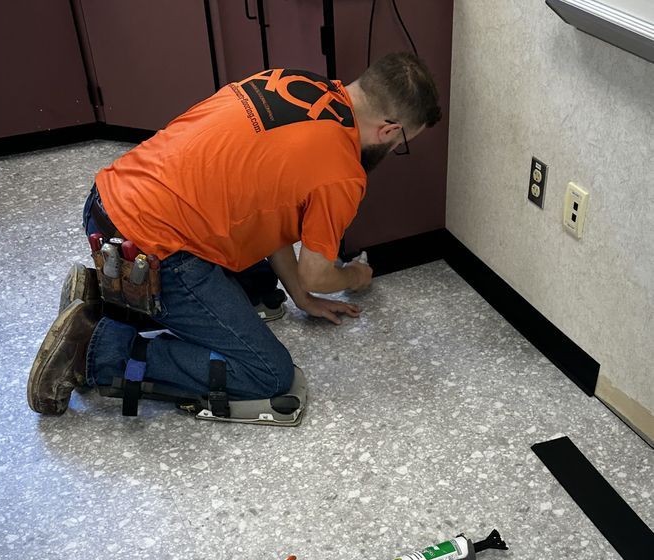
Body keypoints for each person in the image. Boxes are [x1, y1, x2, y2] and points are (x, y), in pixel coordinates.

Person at [27, 52, 441, 417]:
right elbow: (317, 273)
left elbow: (275, 215)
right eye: (402, 142)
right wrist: (355, 276)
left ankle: (103, 296)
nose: (394, 149)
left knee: (261, 285)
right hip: (155, 250)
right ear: (389, 130)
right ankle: (90, 348)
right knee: (267, 374)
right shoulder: (343, 172)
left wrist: (300, 296)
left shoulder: (289, 80)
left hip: (106, 202)